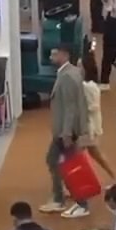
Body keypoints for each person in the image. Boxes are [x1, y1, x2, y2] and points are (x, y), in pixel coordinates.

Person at [40, 43, 89, 215]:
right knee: (62, 162)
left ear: (65, 55)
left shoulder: (67, 76)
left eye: (55, 54)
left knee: (59, 162)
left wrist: (66, 133)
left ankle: (73, 201)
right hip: (67, 130)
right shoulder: (72, 72)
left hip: (65, 131)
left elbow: (70, 107)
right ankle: (66, 198)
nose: (51, 58)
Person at [75, 50, 116, 208]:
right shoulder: (92, 85)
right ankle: (115, 176)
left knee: (76, 157)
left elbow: (90, 106)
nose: (77, 68)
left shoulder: (85, 86)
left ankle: (84, 185)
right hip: (92, 126)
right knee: (96, 155)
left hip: (86, 127)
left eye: (79, 66)